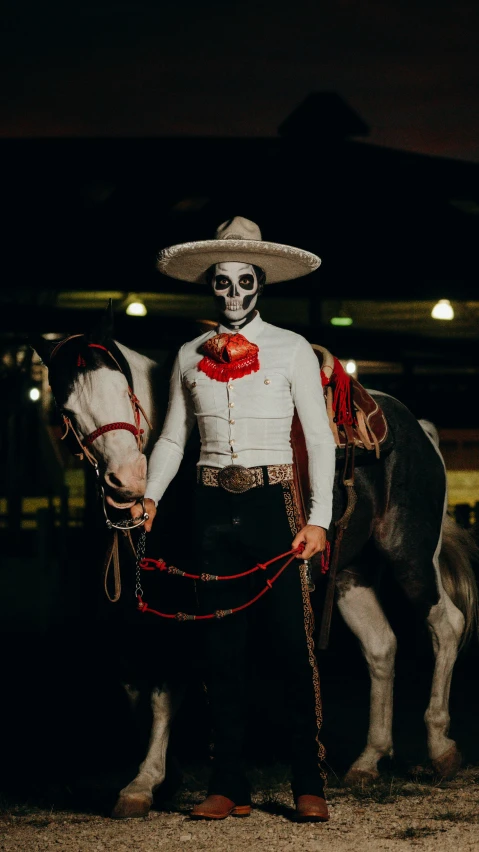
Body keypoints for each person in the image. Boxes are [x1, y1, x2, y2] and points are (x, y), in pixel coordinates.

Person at [132, 216, 336, 822]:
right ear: (211, 287)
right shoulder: (188, 354)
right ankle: (230, 784)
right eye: (221, 283)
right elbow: (172, 439)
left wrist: (319, 518)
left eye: (242, 281)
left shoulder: (292, 348)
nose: (232, 293)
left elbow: (320, 440)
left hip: (274, 504)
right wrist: (153, 499)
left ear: (260, 282)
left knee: (291, 647)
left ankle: (309, 781)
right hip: (209, 506)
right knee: (220, 647)